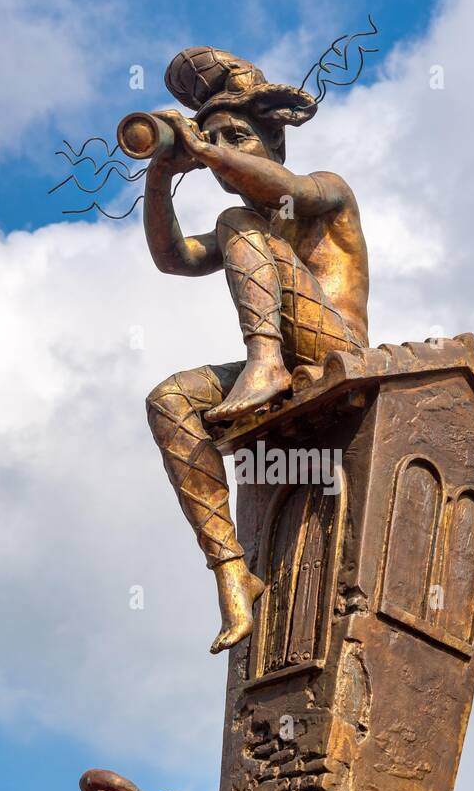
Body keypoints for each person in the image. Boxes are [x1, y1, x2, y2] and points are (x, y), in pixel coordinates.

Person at [144, 47, 370, 653]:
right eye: (212, 137)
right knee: (169, 400)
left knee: (235, 220)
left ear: (273, 140)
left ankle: (265, 359)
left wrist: (207, 150)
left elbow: (288, 188)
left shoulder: (323, 191)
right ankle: (230, 571)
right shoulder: (247, 223)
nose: (221, 150)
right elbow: (174, 259)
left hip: (335, 350)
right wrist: (162, 174)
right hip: (274, 364)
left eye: (238, 136)